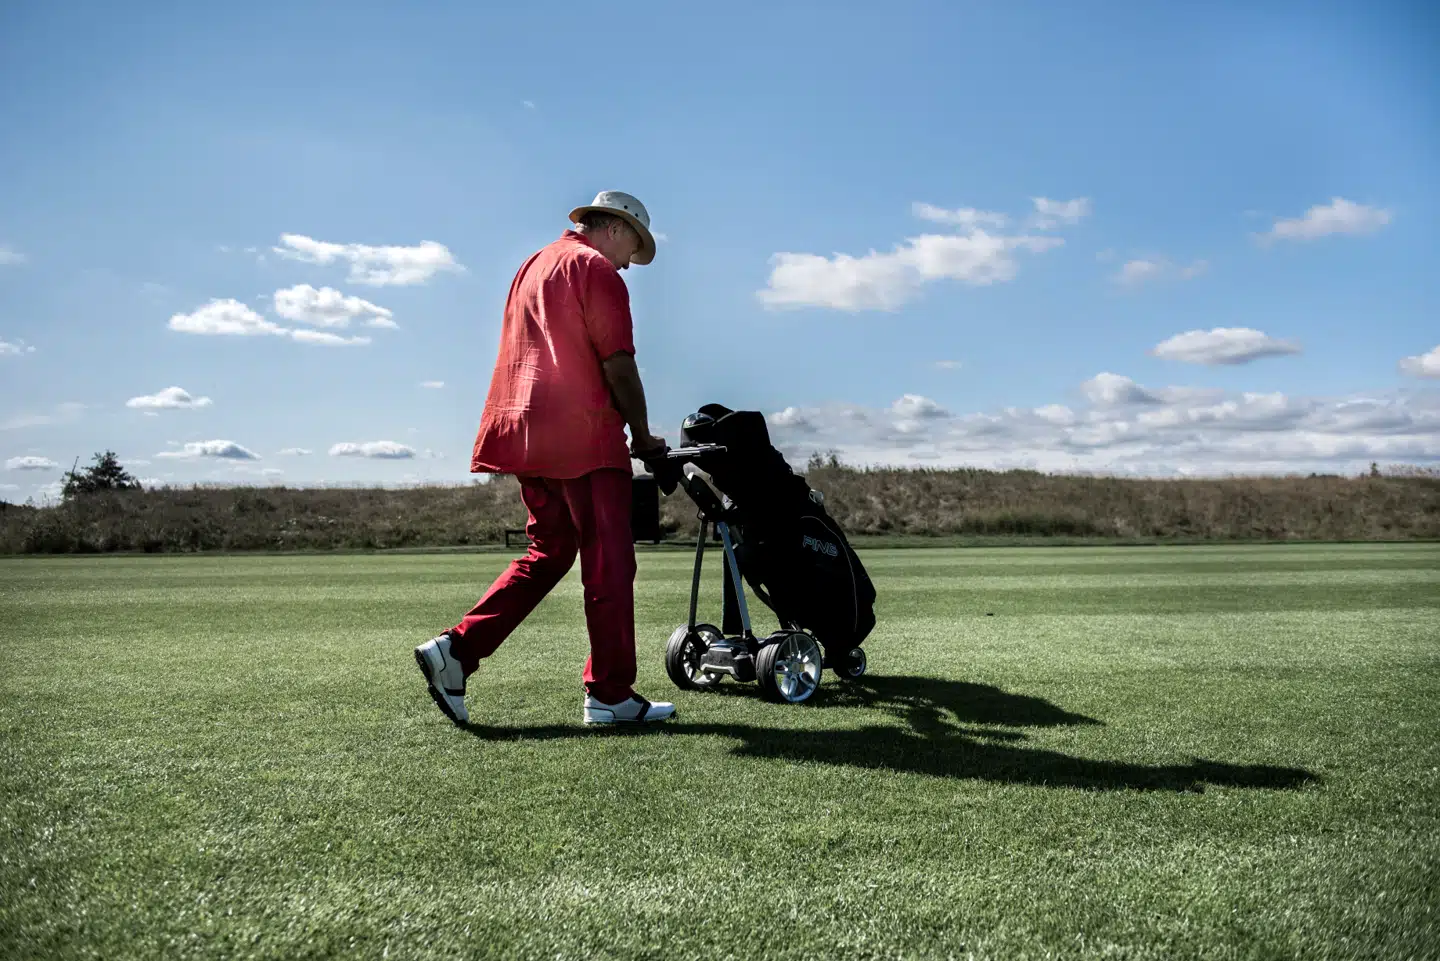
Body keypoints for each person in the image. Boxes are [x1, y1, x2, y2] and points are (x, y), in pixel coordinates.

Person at [414, 191, 675, 726]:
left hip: (527, 429)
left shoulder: (532, 265)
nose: (629, 261)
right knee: (608, 562)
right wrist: (645, 437)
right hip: (583, 435)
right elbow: (618, 363)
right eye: (634, 247)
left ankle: (457, 651)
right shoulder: (597, 270)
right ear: (615, 229)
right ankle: (609, 695)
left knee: (551, 551)